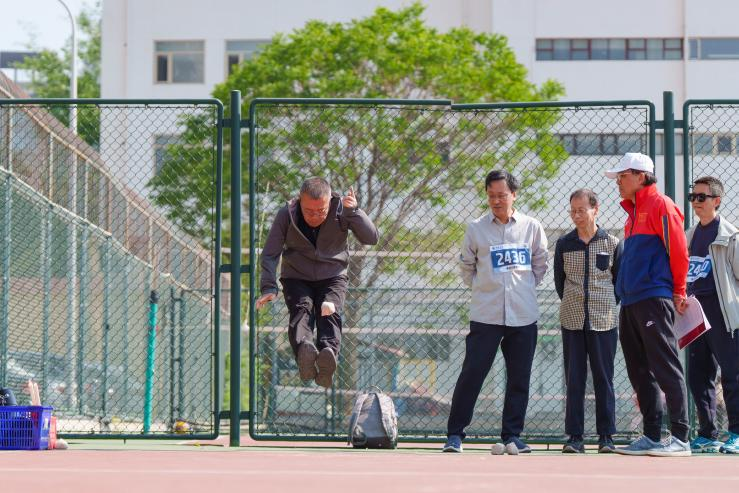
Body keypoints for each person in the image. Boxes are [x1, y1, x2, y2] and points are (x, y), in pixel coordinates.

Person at [442, 170, 548, 454]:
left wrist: (523, 287)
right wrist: (484, 288)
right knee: (472, 374)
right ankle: (455, 435)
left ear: (514, 195)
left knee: (519, 378)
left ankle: (512, 436)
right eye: (491, 196)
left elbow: (540, 264)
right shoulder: (476, 228)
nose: (496, 201)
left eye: (502, 195)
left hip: (523, 315)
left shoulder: (531, 227)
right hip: (485, 315)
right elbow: (466, 267)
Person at [255, 177, 379, 388]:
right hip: (296, 275)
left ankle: (328, 355)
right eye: (309, 211)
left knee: (328, 308)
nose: (315, 216)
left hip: (333, 274)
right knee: (301, 309)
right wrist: (268, 286)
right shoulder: (287, 214)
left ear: (330, 201)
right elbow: (270, 253)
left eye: (321, 211)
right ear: (299, 201)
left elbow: (371, 238)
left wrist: (354, 212)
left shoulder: (342, 209)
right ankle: (305, 351)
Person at [605, 152, 691, 457]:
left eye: (622, 176)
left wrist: (679, 291)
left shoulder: (661, 205)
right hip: (630, 301)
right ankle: (652, 435)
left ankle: (680, 437)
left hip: (654, 298)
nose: (618, 181)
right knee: (638, 370)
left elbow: (679, 251)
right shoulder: (631, 214)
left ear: (641, 176)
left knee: (665, 365)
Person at [554, 189, 622, 454]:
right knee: (574, 379)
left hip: (604, 319)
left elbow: (618, 283)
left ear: (596, 209)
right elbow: (560, 282)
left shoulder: (612, 243)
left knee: (604, 378)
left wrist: (603, 303)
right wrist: (573, 301)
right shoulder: (564, 243)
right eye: (573, 211)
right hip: (572, 319)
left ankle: (606, 436)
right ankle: (575, 437)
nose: (576, 216)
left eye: (581, 210)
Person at [684, 176, 739, 454]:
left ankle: (737, 433)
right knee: (698, 375)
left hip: (723, 314)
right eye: (692, 197)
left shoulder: (730, 236)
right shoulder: (690, 235)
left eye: (701, 197)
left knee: (732, 375)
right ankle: (707, 433)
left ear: (716, 200)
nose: (695, 201)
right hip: (696, 314)